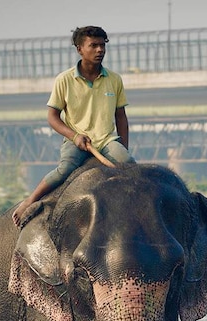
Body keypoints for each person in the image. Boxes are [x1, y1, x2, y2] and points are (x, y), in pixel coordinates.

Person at [12, 25, 134, 227]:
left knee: (129, 165)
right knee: (64, 169)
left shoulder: (114, 79)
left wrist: (123, 149)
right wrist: (75, 136)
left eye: (102, 45)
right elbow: (52, 116)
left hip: (106, 140)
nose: (100, 50)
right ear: (79, 49)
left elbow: (121, 116)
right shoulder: (64, 79)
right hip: (75, 140)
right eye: (93, 45)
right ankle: (30, 200)